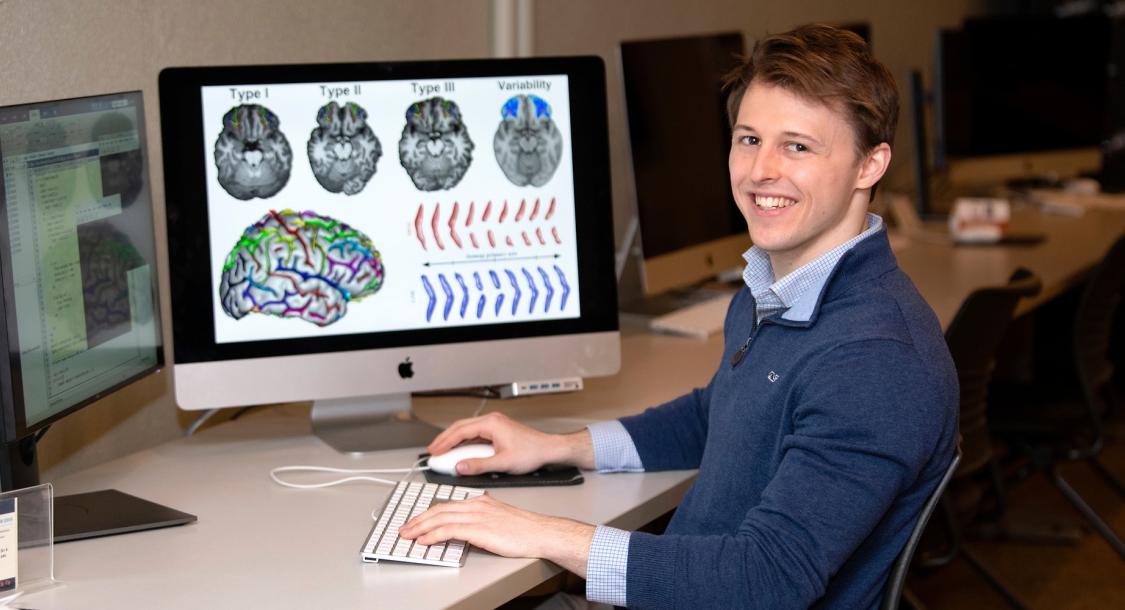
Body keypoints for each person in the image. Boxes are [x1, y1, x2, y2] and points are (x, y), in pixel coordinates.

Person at [400, 24, 959, 610]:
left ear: (870, 165)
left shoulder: (875, 359)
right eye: (748, 139)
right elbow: (713, 415)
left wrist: (545, 533)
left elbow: (767, 580)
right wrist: (555, 448)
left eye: (797, 146)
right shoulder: (778, 284)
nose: (760, 170)